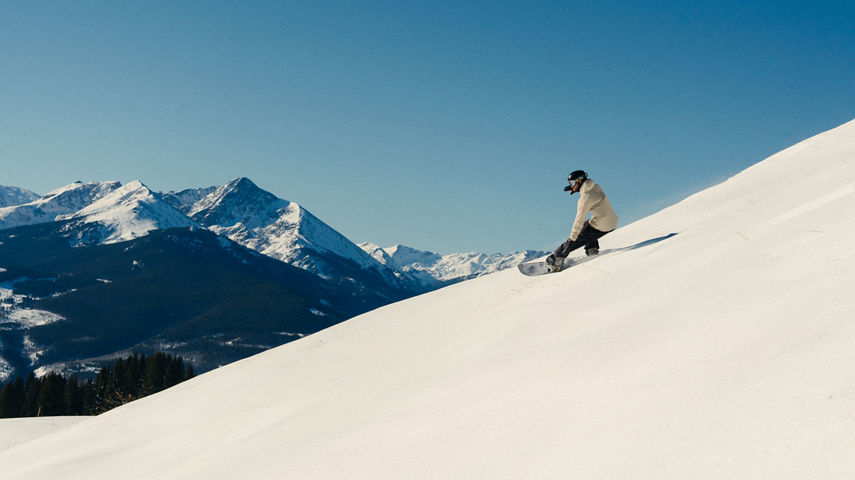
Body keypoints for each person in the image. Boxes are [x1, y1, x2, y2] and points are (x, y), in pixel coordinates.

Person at [546, 170, 618, 272]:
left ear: (579, 181)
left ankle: (556, 260)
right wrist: (574, 188)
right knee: (588, 225)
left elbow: (578, 221)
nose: (571, 186)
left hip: (602, 225)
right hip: (612, 222)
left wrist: (571, 242)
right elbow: (586, 190)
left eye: (572, 183)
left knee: (580, 233)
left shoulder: (585, 199)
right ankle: (591, 248)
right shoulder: (596, 187)